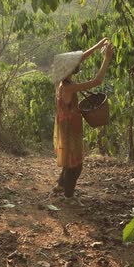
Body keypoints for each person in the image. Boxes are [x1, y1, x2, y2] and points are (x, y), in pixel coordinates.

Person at [51, 37, 114, 203]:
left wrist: (99, 44)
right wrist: (106, 58)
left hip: (66, 124)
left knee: (68, 158)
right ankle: (68, 195)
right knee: (76, 165)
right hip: (71, 127)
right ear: (69, 68)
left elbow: (82, 57)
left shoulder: (61, 81)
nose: (77, 62)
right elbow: (97, 81)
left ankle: (61, 185)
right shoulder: (68, 87)